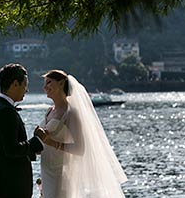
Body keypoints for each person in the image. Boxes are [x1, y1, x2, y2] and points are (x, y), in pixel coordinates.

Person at [36, 70, 127, 198]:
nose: (45, 87)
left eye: (49, 82)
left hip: (61, 173)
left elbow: (80, 149)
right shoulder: (49, 111)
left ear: (61, 83)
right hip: (46, 170)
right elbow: (45, 141)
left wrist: (51, 142)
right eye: (44, 84)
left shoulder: (71, 113)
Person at [0, 63, 45, 198]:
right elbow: (12, 149)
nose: (27, 90)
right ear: (15, 84)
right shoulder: (6, 112)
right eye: (25, 85)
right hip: (12, 185)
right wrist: (37, 140)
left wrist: (33, 149)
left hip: (3, 182)